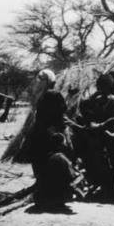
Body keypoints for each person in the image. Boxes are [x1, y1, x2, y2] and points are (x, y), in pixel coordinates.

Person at [28, 69, 72, 206]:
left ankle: (44, 193)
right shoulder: (55, 94)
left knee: (41, 164)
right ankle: (57, 195)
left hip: (39, 134)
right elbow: (62, 112)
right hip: (53, 135)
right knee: (59, 162)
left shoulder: (39, 96)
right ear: (53, 81)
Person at [38, 133, 79, 211]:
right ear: (61, 144)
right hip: (54, 195)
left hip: (42, 195)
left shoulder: (47, 156)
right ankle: (59, 200)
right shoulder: (61, 157)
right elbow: (71, 175)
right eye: (64, 142)